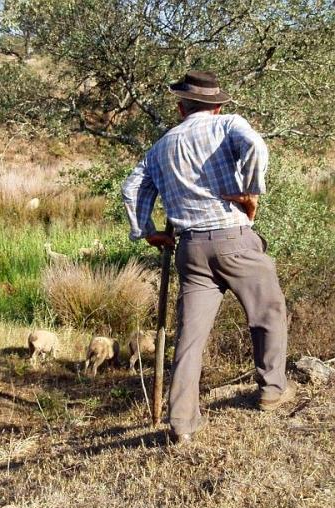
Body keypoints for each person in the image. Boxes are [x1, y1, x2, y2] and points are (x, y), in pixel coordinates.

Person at [122, 71, 296, 444]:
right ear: (217, 105)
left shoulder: (161, 146)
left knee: (190, 338)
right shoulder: (228, 124)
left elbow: (132, 186)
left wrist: (146, 230)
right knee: (268, 312)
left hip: (189, 249)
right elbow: (255, 146)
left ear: (182, 107)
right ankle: (271, 389)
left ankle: (182, 422)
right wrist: (250, 190)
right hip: (233, 240)